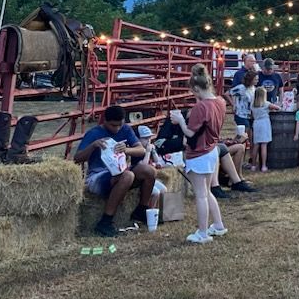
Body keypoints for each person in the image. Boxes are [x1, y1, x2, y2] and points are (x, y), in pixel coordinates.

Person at [75, 105, 158, 237]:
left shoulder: (125, 129)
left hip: (121, 171)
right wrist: (93, 146)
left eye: (120, 125)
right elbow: (77, 158)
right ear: (105, 121)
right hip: (98, 175)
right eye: (113, 125)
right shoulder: (94, 133)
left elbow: (141, 150)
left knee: (149, 171)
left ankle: (141, 209)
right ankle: (105, 221)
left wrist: (126, 150)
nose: (117, 128)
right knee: (128, 176)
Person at [170, 64, 228, 244]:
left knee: (200, 194)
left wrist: (180, 120)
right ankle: (218, 225)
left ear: (195, 88)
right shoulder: (220, 101)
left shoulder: (200, 107)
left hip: (199, 153)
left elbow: (189, 133)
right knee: (207, 191)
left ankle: (202, 233)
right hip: (212, 150)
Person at [251, 86, 280, 171]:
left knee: (256, 145)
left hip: (256, 123)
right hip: (264, 123)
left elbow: (253, 115)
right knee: (264, 145)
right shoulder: (266, 103)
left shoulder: (252, 104)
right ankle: (263, 165)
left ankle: (253, 165)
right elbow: (278, 108)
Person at [228, 71, 256, 138]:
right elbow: (228, 94)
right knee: (244, 133)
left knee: (250, 133)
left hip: (250, 114)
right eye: (255, 79)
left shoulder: (253, 88)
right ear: (250, 80)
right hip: (241, 113)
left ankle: (246, 147)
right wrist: (233, 104)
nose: (257, 81)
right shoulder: (241, 88)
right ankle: (238, 145)